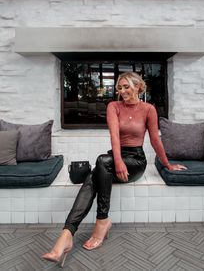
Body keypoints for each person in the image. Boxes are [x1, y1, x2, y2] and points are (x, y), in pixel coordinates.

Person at [42, 72, 186, 267]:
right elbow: (114, 137)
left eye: (126, 86)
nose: (122, 91)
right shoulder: (113, 107)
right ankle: (68, 234)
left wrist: (167, 164)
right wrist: (118, 161)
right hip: (114, 158)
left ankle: (96, 224)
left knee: (100, 165)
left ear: (137, 87)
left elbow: (154, 140)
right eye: (120, 87)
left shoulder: (148, 109)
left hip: (135, 161)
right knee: (98, 170)